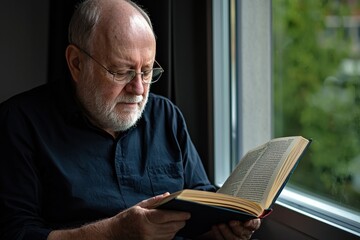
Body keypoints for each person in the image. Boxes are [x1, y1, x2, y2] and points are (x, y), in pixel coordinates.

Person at [0, 0, 261, 239]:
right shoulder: (19, 122)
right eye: (121, 72)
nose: (138, 89)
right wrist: (115, 232)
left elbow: (200, 202)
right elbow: (17, 232)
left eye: (146, 71)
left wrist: (222, 229)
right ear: (77, 63)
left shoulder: (166, 116)